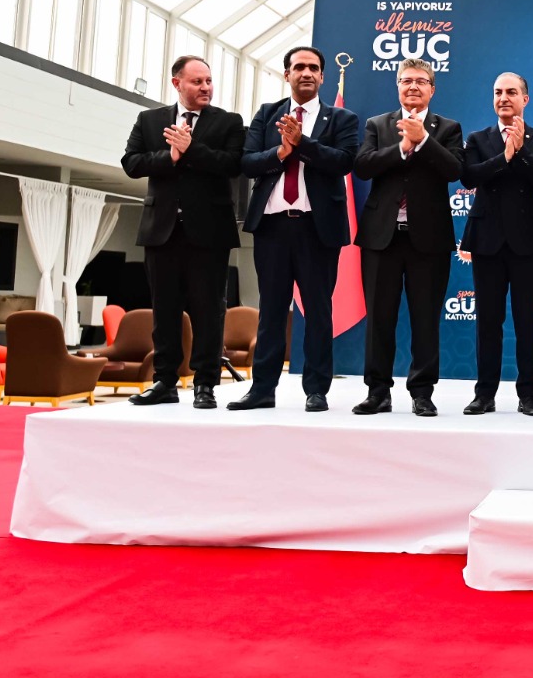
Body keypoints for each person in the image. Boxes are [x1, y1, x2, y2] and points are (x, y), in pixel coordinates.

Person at [231, 46, 360, 412]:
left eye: (314, 68)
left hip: (317, 229)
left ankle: (316, 390)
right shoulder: (267, 114)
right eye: (299, 67)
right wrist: (281, 153)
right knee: (271, 310)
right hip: (272, 228)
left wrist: (303, 144)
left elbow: (344, 161)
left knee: (318, 312)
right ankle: (262, 389)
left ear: (322, 76)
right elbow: (247, 162)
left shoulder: (342, 118)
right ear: (286, 74)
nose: (307, 73)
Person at [121, 56, 244, 410]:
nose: (206, 87)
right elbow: (131, 163)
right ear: (177, 83)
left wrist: (190, 151)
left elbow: (233, 164)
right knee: (164, 310)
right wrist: (170, 157)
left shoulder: (229, 122)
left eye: (209, 81)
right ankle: (164, 381)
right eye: (197, 81)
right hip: (161, 232)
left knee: (209, 311)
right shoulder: (149, 120)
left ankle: (205, 383)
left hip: (210, 233)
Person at [351, 58, 464, 416]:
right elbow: (363, 166)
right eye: (406, 80)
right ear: (397, 86)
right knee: (379, 319)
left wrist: (423, 140)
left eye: (420, 81)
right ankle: (377, 392)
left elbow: (454, 169)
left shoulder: (448, 128)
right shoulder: (377, 124)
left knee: (425, 319)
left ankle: (422, 393)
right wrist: (402, 148)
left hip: (428, 239)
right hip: (381, 237)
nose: (413, 86)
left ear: (432, 89)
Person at [460, 73, 533, 417]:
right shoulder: (478, 138)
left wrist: (521, 150)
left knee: (527, 322)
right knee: (488, 322)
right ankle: (484, 394)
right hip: (486, 240)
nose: (503, 97)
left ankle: (528, 395)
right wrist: (505, 156)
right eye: (498, 92)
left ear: (524, 99)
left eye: (511, 92)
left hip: (527, 242)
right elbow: (469, 177)